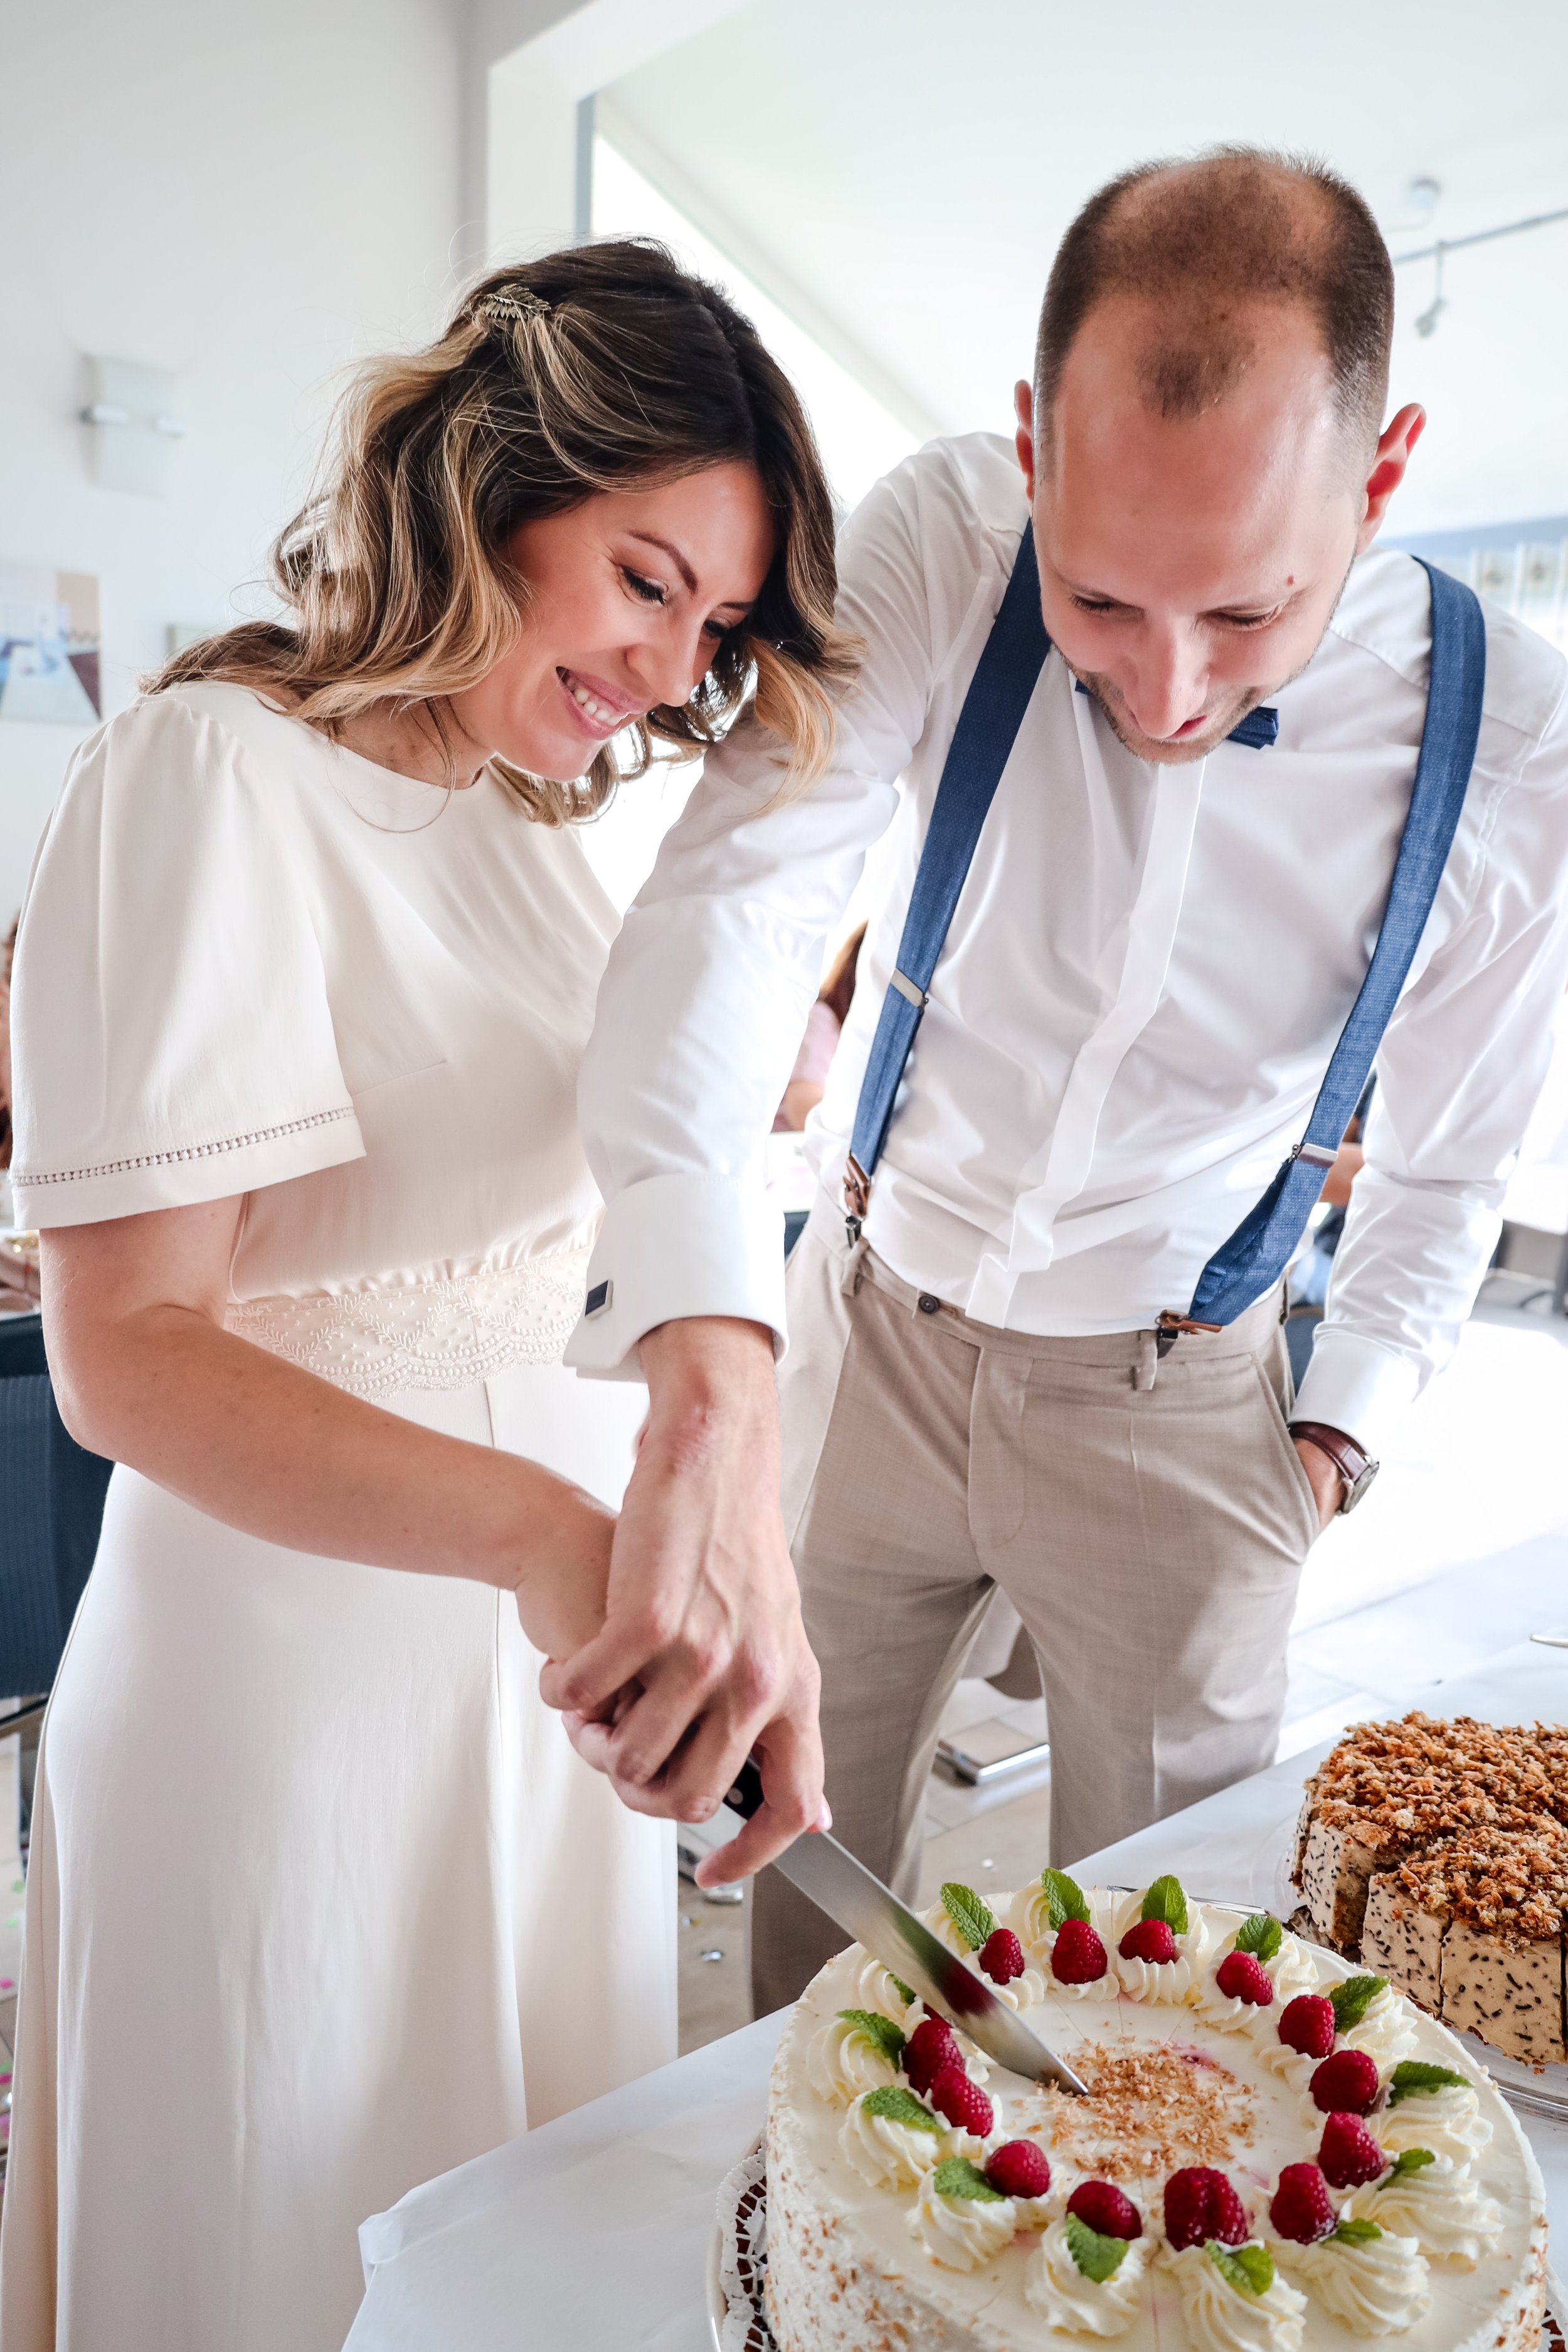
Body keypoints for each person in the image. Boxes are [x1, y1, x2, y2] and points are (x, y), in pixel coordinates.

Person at [555, 151, 1568, 2016]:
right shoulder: (944, 534)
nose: (1168, 694)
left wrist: (1329, 1442)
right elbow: (732, 913)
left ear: (1385, 471)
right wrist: (704, 1373)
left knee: (1158, 1973)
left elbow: (1445, 1160)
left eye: (1245, 618)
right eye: (1100, 605)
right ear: (1031, 446)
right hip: (864, 1335)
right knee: (796, 1884)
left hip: (1185, 1405)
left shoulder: (1514, 740)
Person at [1, 242, 846, 2351]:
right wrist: (552, 1542)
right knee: (292, 2224)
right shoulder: (208, 771)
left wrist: (691, 1534)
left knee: (511, 2224)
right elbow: (127, 1359)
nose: (671, 667)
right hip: (285, 1692)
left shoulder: (515, 819)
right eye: (645, 579)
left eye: (715, 623)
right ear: (495, 485)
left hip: (528, 1680)